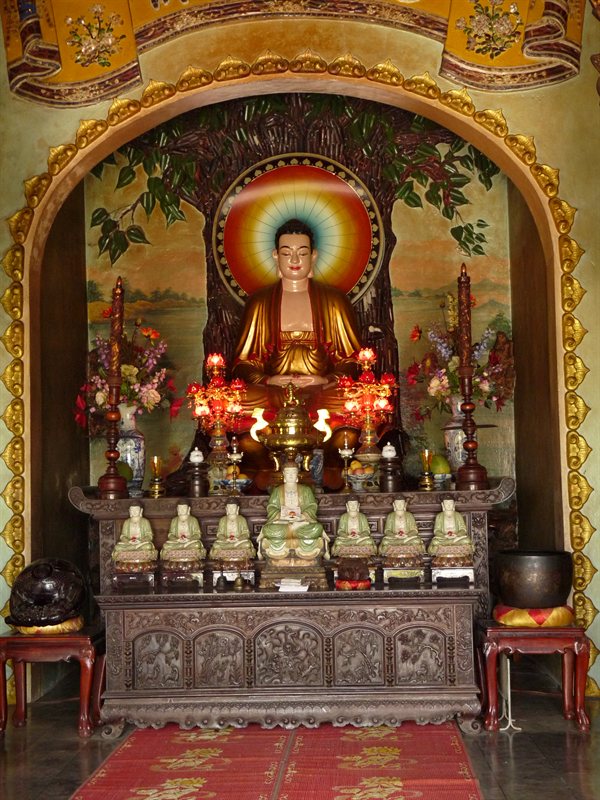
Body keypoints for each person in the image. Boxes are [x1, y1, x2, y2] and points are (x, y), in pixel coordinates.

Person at [232, 218, 363, 415]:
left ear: (313, 255)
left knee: (355, 398)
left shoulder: (334, 301)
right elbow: (242, 363)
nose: (294, 260)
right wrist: (269, 380)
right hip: (272, 392)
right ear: (276, 256)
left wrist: (325, 380)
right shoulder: (259, 303)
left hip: (322, 392)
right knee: (238, 399)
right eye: (286, 253)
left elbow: (352, 360)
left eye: (302, 253)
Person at [257, 464, 329, 562]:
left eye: (293, 473)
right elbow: (271, 507)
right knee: (268, 529)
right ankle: (293, 531)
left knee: (317, 528)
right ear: (284, 475)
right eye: (288, 473)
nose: (290, 475)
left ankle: (292, 531)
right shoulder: (277, 491)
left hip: (300, 523)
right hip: (283, 523)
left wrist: (302, 516)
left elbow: (312, 506)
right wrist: (282, 516)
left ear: (297, 475)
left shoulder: (306, 490)